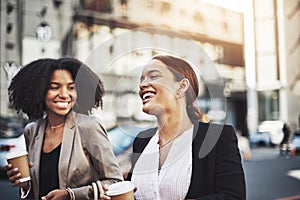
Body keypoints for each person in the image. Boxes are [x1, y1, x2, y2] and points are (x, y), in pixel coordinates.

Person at [127, 55, 246, 199]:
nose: (143, 85)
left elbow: (233, 197)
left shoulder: (217, 137)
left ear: (182, 86)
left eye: (153, 76)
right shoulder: (142, 141)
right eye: (142, 79)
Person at [5, 57, 123, 200]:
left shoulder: (89, 127)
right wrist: (24, 185)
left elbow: (115, 182)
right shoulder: (32, 130)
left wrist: (71, 194)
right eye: (55, 87)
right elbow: (38, 189)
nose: (64, 94)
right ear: (40, 91)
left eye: (71, 87)